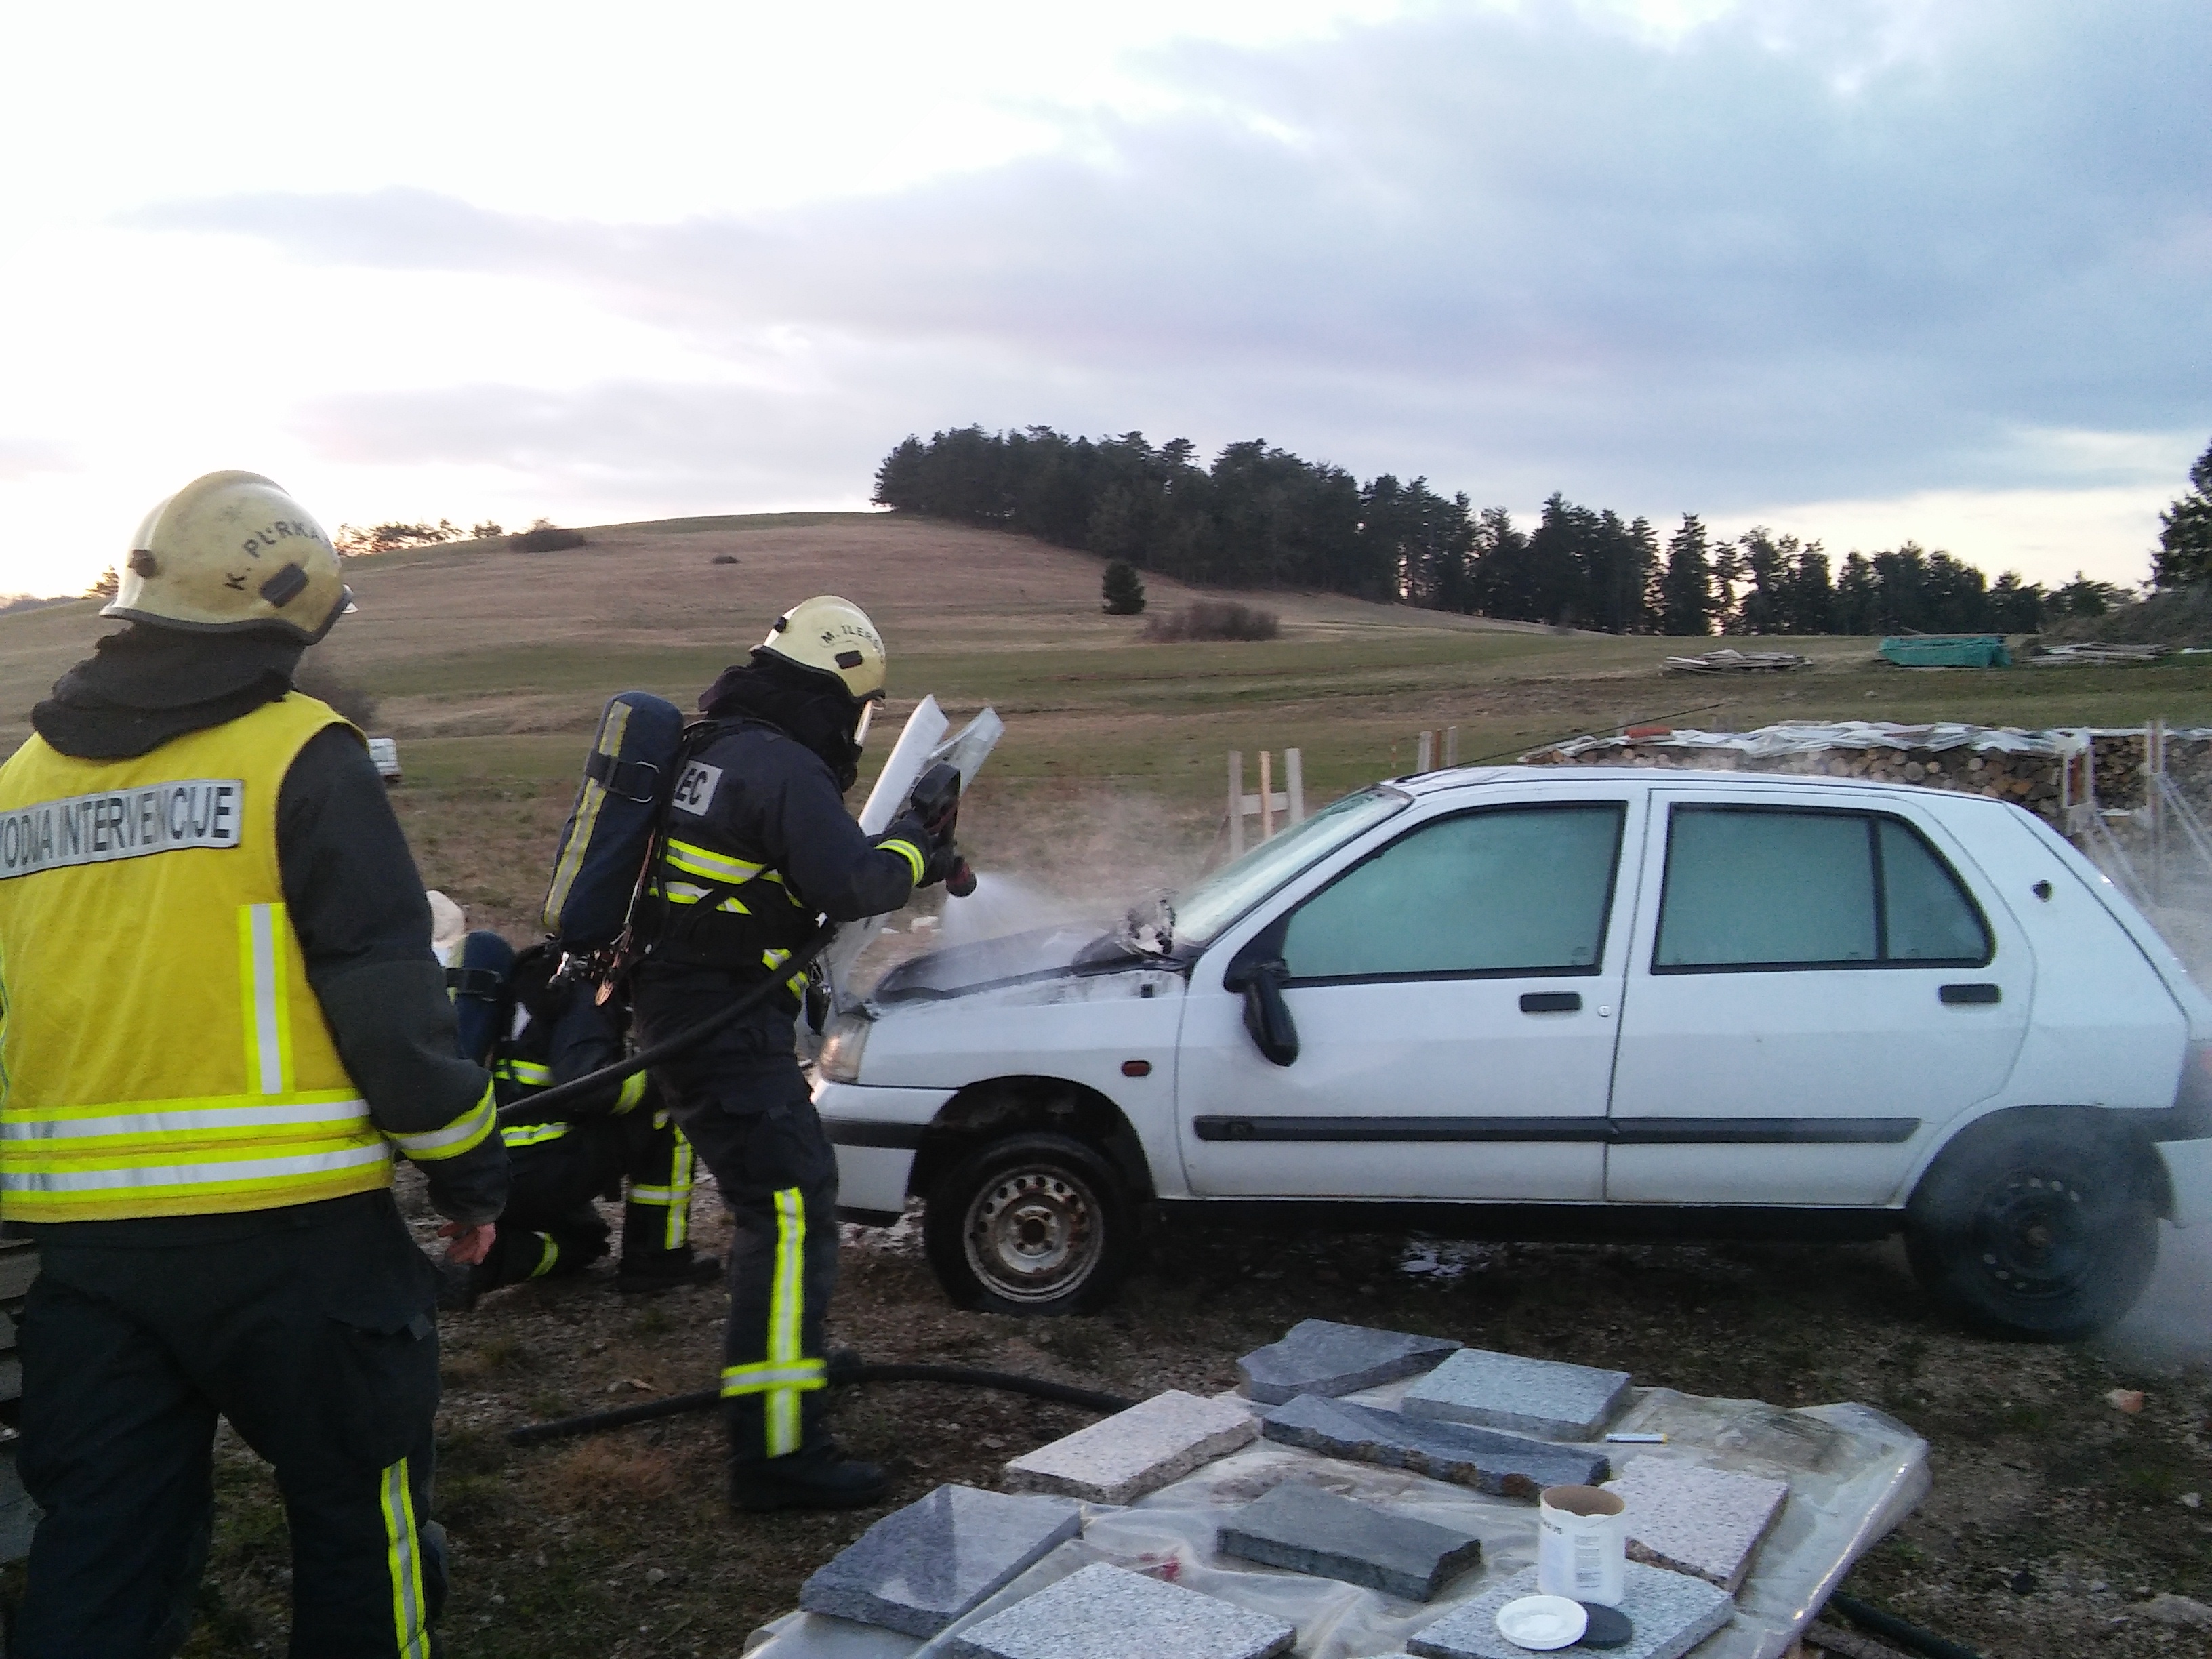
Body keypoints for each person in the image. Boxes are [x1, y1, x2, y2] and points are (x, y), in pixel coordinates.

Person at [0, 471, 508, 1658]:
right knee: (360, 1518)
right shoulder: (301, 755)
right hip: (295, 1240)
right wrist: (470, 1172)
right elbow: (388, 1003)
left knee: (104, 1544)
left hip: (87, 1256)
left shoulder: (18, 786)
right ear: (289, 618)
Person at [630, 596, 955, 1513]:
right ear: (837, 690)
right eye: (862, 708)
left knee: (778, 1200)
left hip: (690, 1003)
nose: (857, 727)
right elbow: (852, 881)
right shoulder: (781, 765)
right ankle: (778, 1453)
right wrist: (913, 847)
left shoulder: (715, 746)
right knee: (790, 1207)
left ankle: (789, 1358)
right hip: (720, 1018)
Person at [443, 941, 720, 1305]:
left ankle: (487, 1261)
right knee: (668, 1102)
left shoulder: (540, 971)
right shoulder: (590, 985)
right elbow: (590, 1088)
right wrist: (666, 1076)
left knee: (585, 1240)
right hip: (537, 1164)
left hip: (485, 1164)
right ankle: (658, 1258)